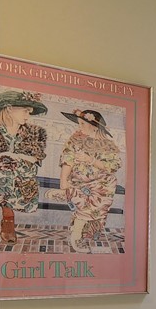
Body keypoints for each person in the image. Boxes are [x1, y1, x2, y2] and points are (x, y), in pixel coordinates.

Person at [51, 108, 121, 253]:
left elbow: (112, 167)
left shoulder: (108, 145)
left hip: (101, 183)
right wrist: (63, 182)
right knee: (88, 203)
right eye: (79, 124)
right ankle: (76, 234)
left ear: (94, 126)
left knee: (100, 196)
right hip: (80, 181)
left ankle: (72, 196)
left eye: (83, 124)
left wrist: (91, 160)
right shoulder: (75, 140)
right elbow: (67, 161)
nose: (79, 127)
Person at [0, 90, 49, 244]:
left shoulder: (36, 132)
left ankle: (8, 217)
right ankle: (8, 218)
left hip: (22, 175)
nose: (28, 115)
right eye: (25, 110)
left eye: (30, 112)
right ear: (9, 109)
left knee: (6, 171)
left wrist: (15, 156)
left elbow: (36, 158)